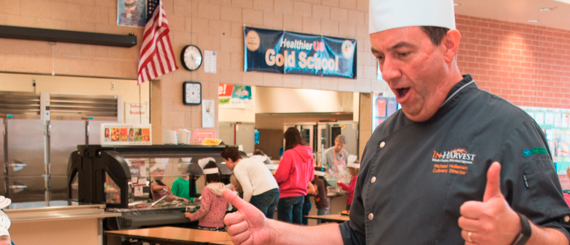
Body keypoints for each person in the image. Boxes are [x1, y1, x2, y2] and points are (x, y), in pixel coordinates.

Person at [221, 0, 570, 244]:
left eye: (403, 54)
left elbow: (559, 236)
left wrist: (520, 234)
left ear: (449, 46)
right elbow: (355, 236)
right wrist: (270, 231)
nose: (387, 72)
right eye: (379, 56)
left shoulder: (509, 130)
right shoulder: (384, 137)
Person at [222, 147, 280, 219]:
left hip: (262, 194)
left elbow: (248, 190)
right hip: (275, 192)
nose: (226, 165)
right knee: (267, 225)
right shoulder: (251, 161)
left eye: (225, 161)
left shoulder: (238, 167)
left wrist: (242, 207)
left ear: (229, 159)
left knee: (257, 226)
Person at [274, 127, 314, 224]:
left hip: (286, 194)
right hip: (301, 195)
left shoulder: (289, 154)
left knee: (285, 228)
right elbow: (311, 177)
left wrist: (274, 179)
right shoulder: (309, 154)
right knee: (297, 227)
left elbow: (281, 176)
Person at [184, 161, 228, 231]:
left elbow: (204, 209)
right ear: (218, 174)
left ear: (205, 175)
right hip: (220, 225)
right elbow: (227, 206)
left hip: (206, 226)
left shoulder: (207, 189)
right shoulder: (224, 188)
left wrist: (192, 216)